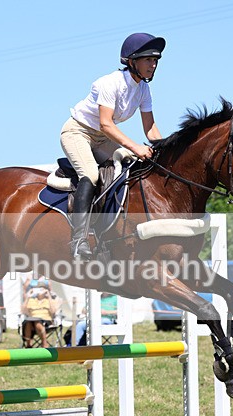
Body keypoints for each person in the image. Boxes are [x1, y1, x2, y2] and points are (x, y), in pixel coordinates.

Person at [62, 33, 165, 260]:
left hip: (102, 137)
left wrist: (165, 153)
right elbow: (106, 124)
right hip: (78, 132)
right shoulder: (109, 83)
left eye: (156, 60)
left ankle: (107, 235)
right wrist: (137, 147)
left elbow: (151, 129)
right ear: (132, 61)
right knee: (90, 174)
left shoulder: (143, 90)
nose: (153, 64)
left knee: (131, 167)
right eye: (148, 59)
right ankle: (78, 241)